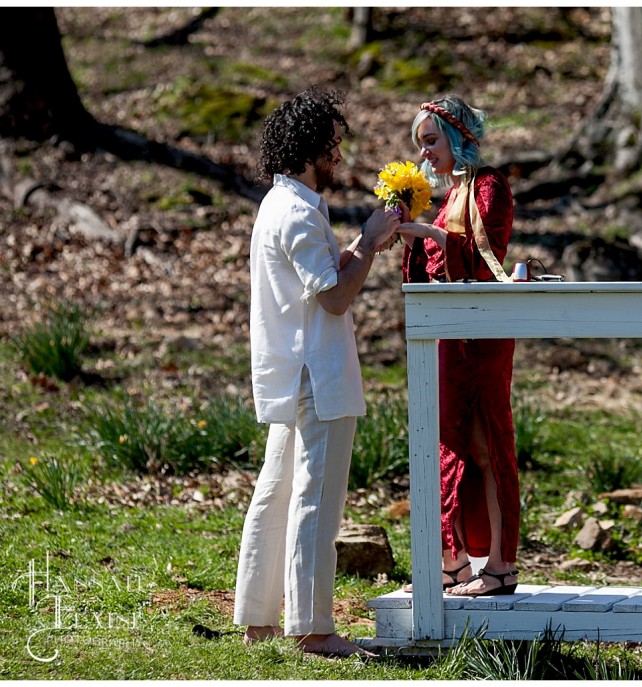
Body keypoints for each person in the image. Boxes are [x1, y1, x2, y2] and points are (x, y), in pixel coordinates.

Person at [233, 85, 399, 657]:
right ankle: (313, 629)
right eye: (331, 146)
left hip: (292, 369)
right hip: (315, 374)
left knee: (277, 491)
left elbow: (320, 278)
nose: (338, 156)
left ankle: (258, 619)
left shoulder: (278, 205)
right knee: (315, 498)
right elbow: (333, 299)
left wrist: (359, 242)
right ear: (308, 149)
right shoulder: (299, 214)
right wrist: (373, 247)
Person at [398, 95, 520, 597]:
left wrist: (429, 232)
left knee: (488, 443)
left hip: (485, 332)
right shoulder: (447, 197)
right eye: (420, 145)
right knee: (452, 443)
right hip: (449, 334)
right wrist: (411, 233)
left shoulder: (489, 186)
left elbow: (481, 255)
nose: (425, 154)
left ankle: (499, 566)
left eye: (431, 141)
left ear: (456, 136)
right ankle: (451, 562)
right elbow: (429, 271)